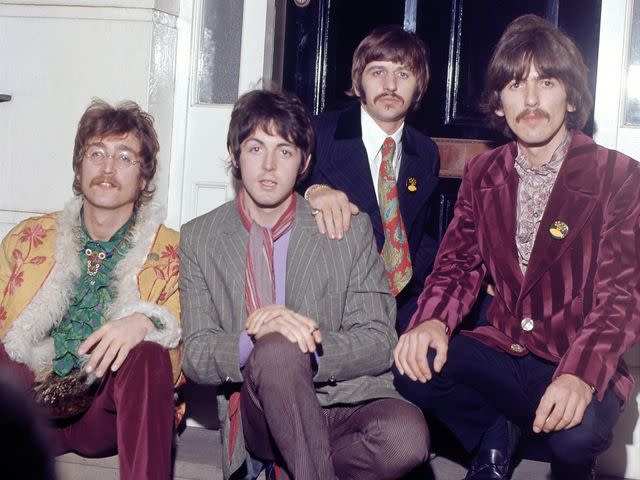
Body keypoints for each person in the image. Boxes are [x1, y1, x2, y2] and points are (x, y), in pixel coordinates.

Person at [393, 14, 640, 480]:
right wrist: (431, 322)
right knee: (413, 362)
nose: (530, 100)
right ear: (499, 104)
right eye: (514, 85)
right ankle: (496, 430)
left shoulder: (619, 176)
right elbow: (457, 265)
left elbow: (622, 298)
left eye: (545, 82)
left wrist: (580, 375)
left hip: (575, 352)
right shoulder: (485, 173)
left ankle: (551, 452)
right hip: (506, 349)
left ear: (570, 97)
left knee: (576, 435)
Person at [180, 89, 429, 480]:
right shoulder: (200, 237)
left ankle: (299, 466)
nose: (268, 166)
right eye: (255, 148)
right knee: (276, 349)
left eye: (284, 151)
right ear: (234, 154)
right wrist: (256, 337)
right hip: (258, 410)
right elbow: (195, 354)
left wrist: (306, 340)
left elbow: (380, 340)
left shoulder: (348, 228)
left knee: (405, 439)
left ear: (304, 162)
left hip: (341, 397)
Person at [0, 99, 182, 479]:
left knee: (148, 355)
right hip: (28, 407)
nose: (107, 168)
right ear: (79, 167)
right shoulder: (26, 239)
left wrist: (145, 322)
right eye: (96, 153)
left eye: (125, 157)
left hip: (104, 413)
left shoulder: (171, 254)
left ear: (144, 177)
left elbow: (183, 360)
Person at [299, 25, 440, 333]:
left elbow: (419, 235)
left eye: (403, 74)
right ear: (358, 81)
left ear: (420, 86)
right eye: (378, 72)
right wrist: (313, 191)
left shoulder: (425, 152)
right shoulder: (318, 133)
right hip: (332, 307)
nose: (390, 85)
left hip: (404, 303)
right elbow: (274, 195)